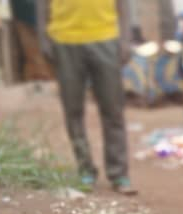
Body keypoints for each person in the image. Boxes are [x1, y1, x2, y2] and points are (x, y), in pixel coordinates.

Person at [37, 0, 136, 195]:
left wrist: (126, 39)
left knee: (113, 110)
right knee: (73, 111)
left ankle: (118, 173)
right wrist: (43, 37)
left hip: (106, 37)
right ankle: (85, 169)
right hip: (64, 39)